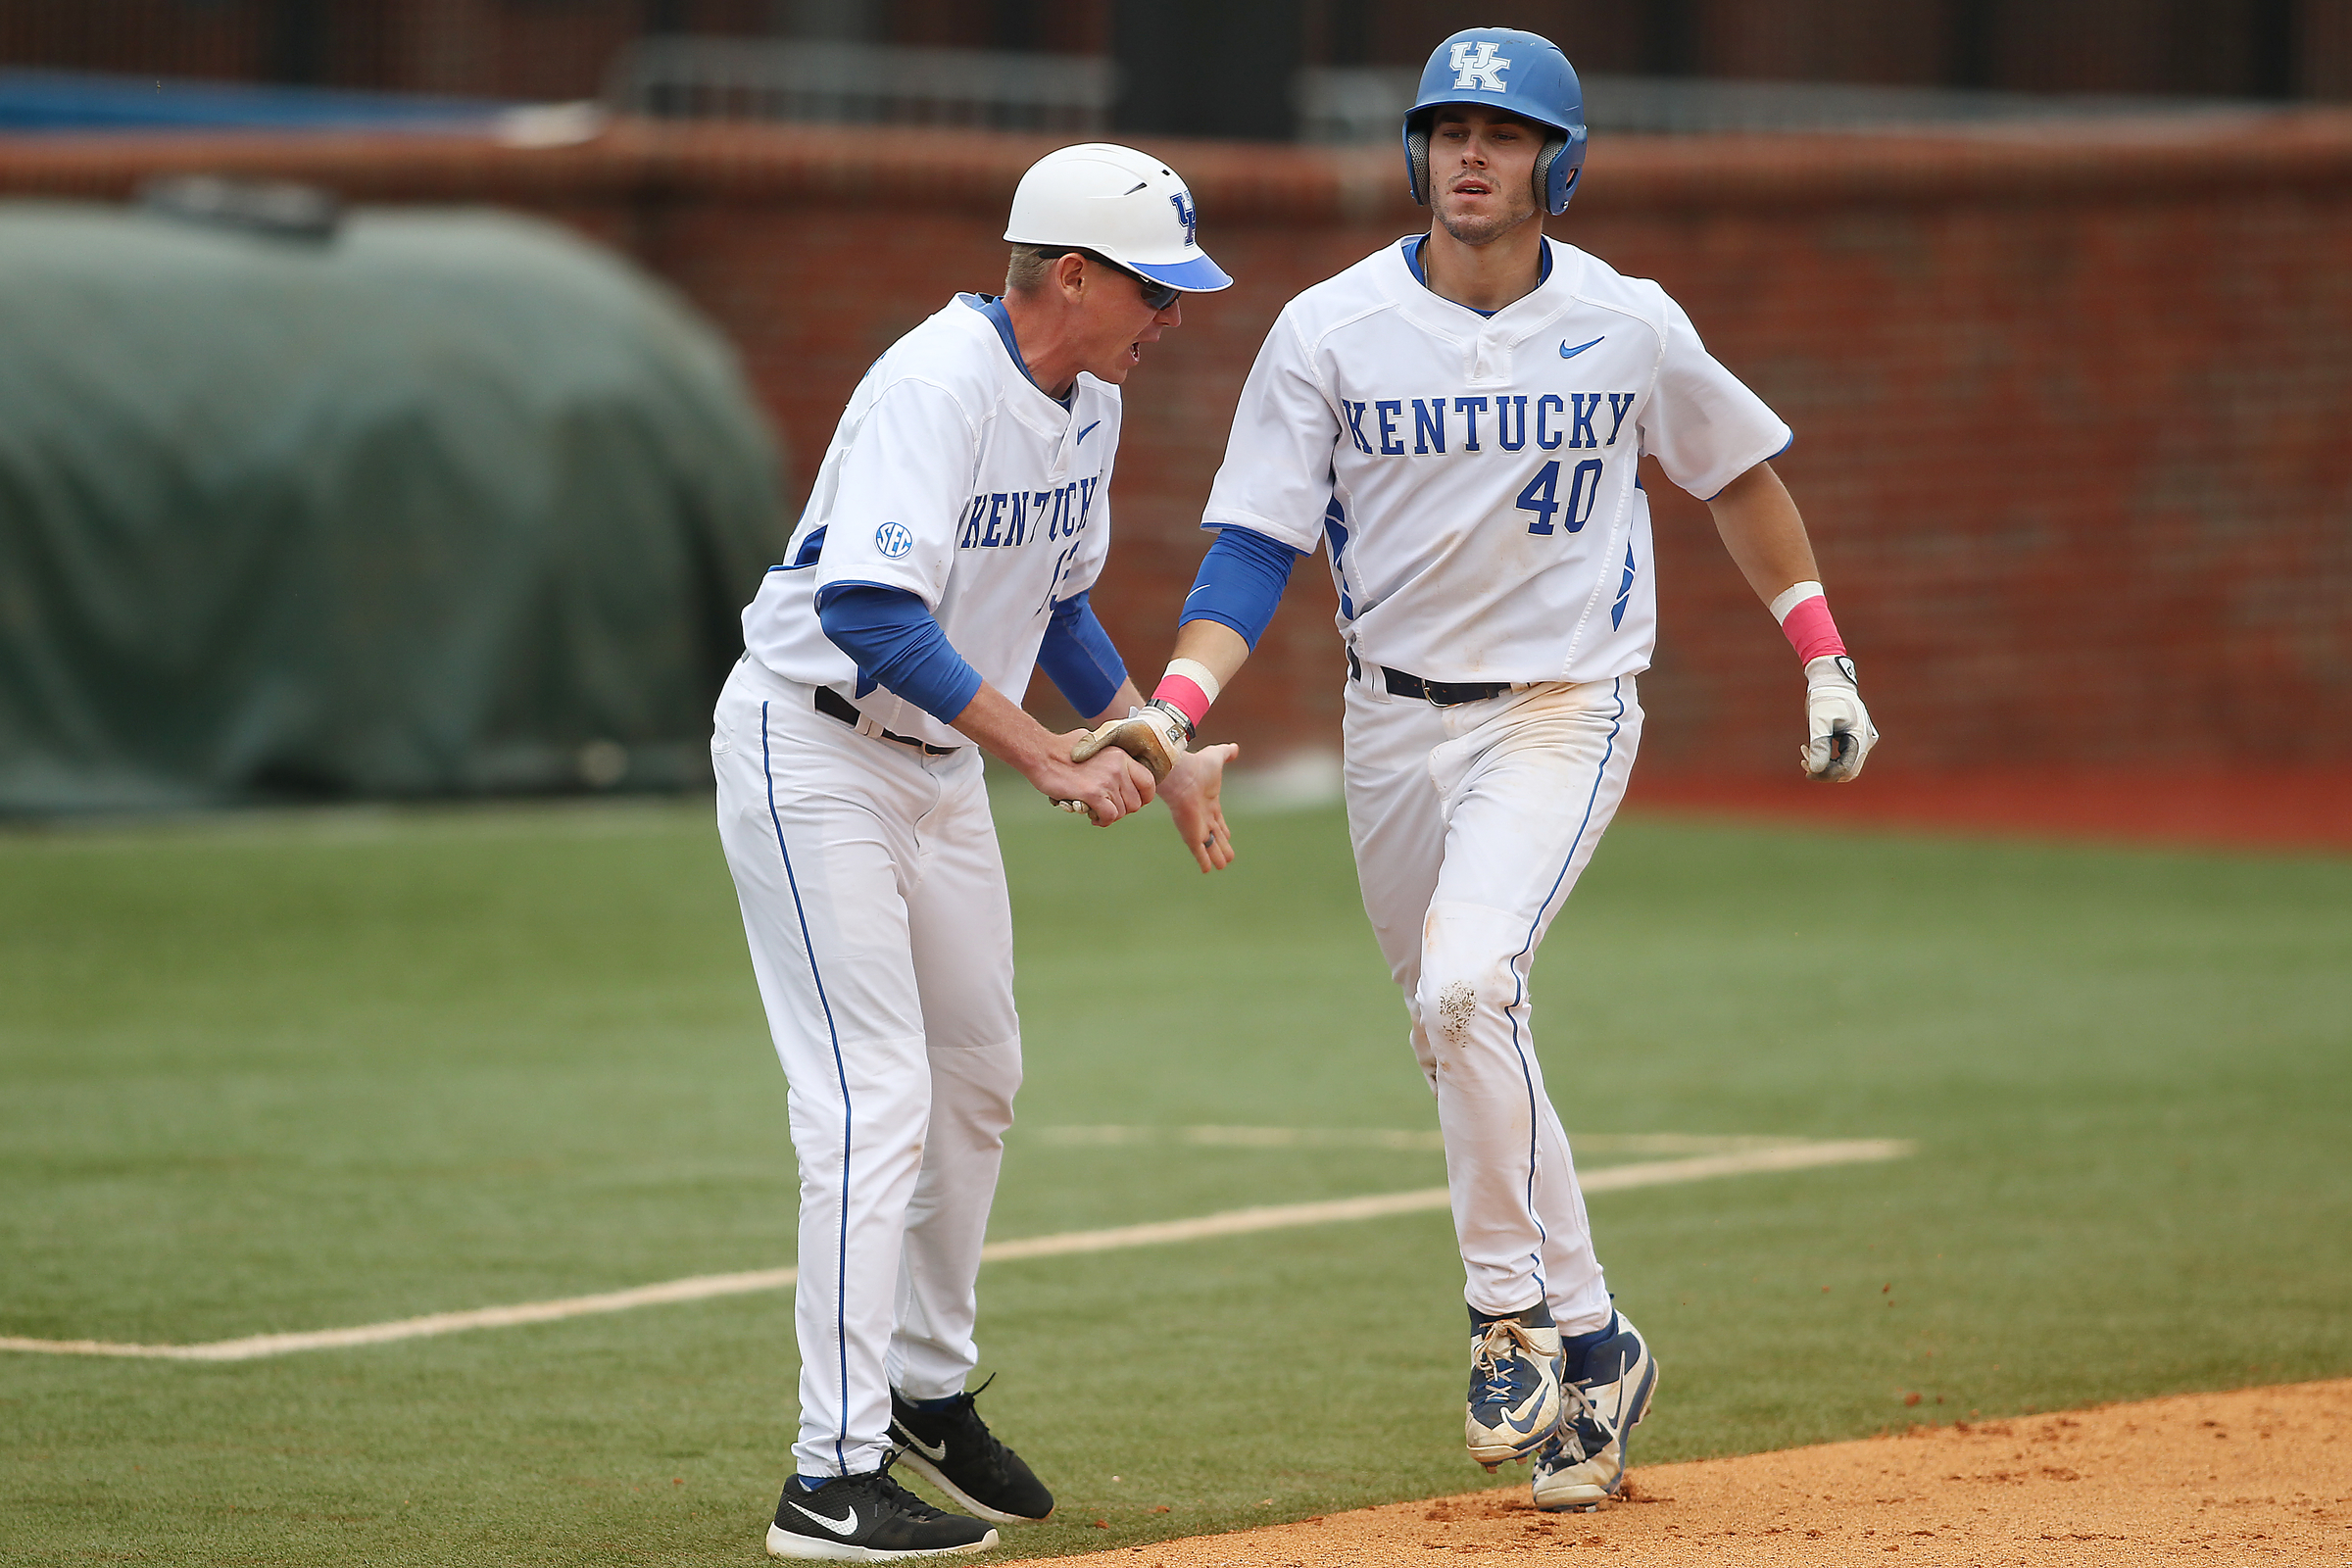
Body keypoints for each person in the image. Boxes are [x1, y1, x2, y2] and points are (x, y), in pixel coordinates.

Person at [1077, 28, 1878, 1513]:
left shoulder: (1629, 323)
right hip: (1392, 725)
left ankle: (1502, 1313)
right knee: (1466, 1025)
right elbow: (1256, 548)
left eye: (1501, 135)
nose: (1468, 154)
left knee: (1465, 989)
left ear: (1555, 164)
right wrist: (1176, 704)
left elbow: (1738, 478)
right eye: (1447, 127)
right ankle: (1599, 1342)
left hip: (1564, 710)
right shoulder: (1329, 328)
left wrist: (1822, 655)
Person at [712, 142, 1239, 1561]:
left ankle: (924, 1392)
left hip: (935, 770)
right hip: (812, 751)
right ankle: (827, 1478)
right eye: (1154, 288)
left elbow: (1059, 607)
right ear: (1071, 274)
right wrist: (1045, 755)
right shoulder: (933, 387)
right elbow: (874, 617)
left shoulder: (1085, 401)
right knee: (869, 1100)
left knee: (982, 1075)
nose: (1171, 316)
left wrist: (1151, 747)